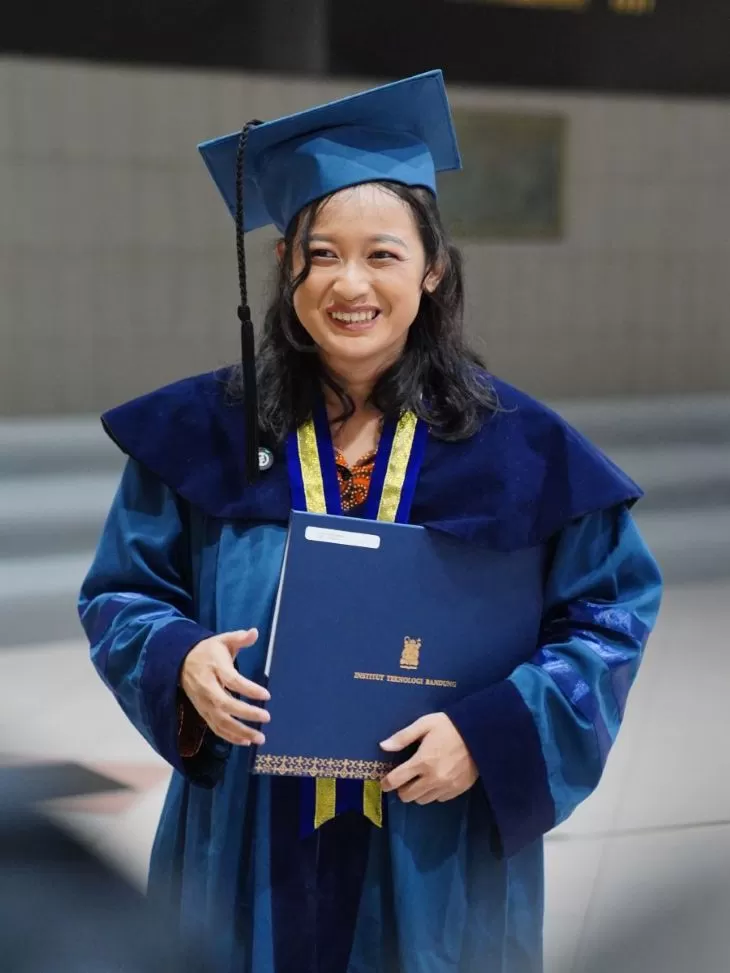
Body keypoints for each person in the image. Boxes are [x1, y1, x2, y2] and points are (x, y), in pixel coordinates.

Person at [79, 70, 662, 973]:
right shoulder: (202, 435)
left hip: (436, 843)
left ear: (431, 269)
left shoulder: (524, 451)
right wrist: (179, 660)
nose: (351, 283)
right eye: (321, 254)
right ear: (284, 267)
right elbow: (124, 591)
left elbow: (608, 619)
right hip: (248, 829)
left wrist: (496, 731)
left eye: (383, 254)